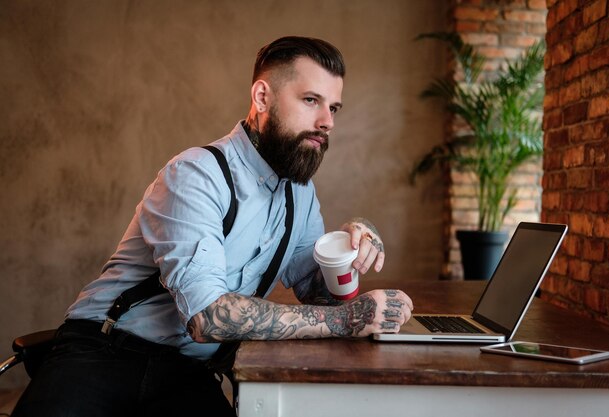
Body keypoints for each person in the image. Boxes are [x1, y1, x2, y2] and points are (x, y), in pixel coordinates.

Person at [12, 36, 414, 417]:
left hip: (184, 371)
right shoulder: (196, 174)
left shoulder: (300, 193)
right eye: (311, 100)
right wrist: (347, 321)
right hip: (103, 351)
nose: (327, 121)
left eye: (334, 108)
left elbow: (319, 295)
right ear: (262, 97)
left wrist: (349, 244)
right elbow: (206, 316)